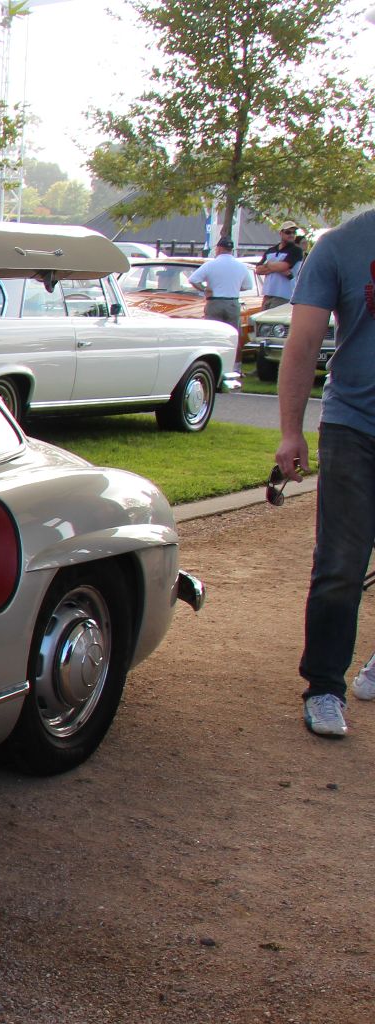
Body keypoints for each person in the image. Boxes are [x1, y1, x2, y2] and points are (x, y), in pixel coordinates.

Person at [274, 207, 375, 738]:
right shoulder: (340, 246)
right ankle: (325, 688)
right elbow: (304, 343)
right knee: (340, 564)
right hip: (354, 425)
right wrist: (292, 430)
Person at [186, 237, 251, 334]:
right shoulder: (241, 266)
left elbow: (193, 280)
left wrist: (204, 290)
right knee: (232, 333)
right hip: (232, 303)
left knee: (213, 332)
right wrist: (234, 287)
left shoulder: (211, 265)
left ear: (219, 248)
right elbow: (247, 286)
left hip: (215, 302)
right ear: (231, 250)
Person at [255, 222, 306, 310]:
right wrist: (277, 267)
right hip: (267, 295)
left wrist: (269, 265)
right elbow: (258, 270)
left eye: (294, 233)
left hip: (284, 296)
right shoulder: (271, 250)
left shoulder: (296, 250)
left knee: (275, 323)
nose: (291, 235)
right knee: (262, 323)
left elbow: (283, 267)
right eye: (288, 232)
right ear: (281, 233)